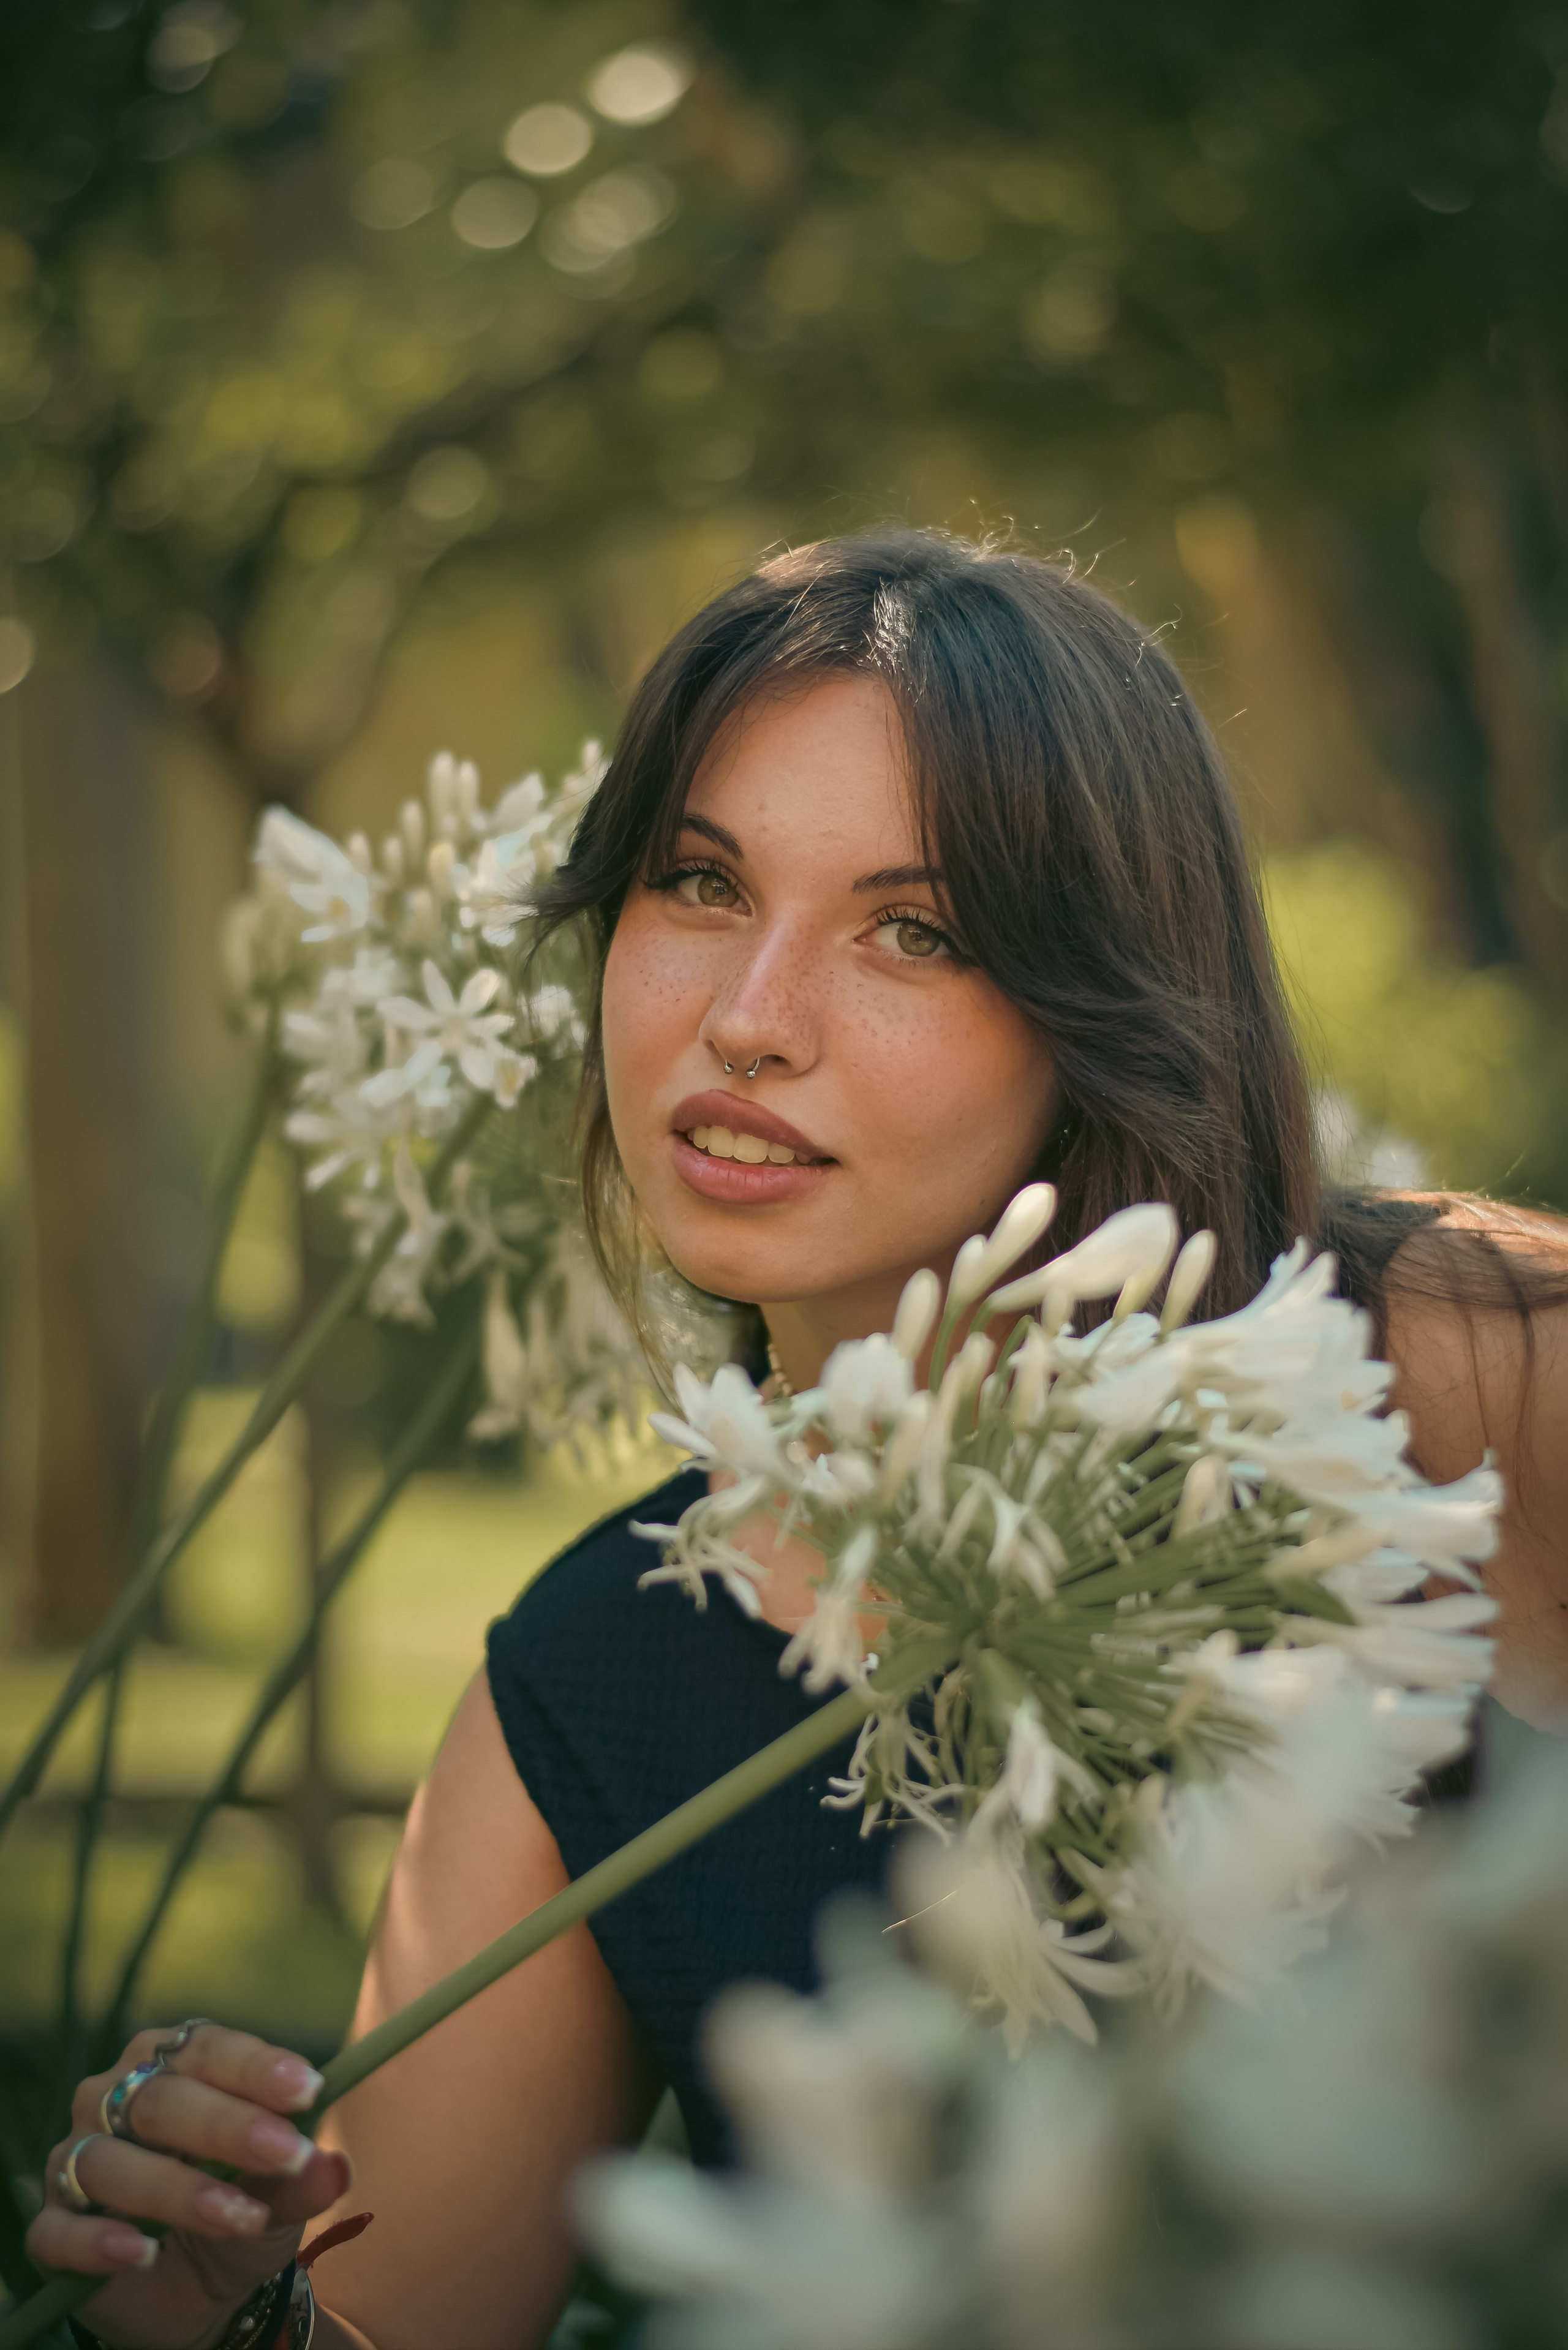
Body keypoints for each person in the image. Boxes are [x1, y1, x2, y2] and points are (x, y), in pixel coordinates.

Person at [31, 530, 1568, 2349]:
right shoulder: (599, 1689)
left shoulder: (1473, 1371)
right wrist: (214, 2305)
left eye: (914, 931)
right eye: (699, 883)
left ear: (1107, 1006)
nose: (747, 1022)